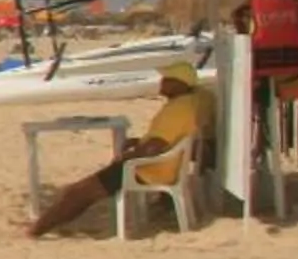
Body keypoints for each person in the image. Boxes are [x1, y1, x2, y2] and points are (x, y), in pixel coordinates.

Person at [27, 64, 215, 238]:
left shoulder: (177, 111)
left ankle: (35, 230)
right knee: (80, 191)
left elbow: (153, 148)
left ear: (181, 84)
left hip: (148, 170)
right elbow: (164, 138)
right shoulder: (195, 101)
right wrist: (139, 142)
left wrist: (124, 158)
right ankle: (47, 224)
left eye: (168, 79)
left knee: (78, 193)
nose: (162, 82)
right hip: (164, 166)